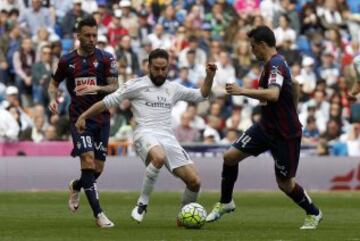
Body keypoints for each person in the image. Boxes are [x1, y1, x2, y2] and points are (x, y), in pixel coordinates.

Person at [75, 48, 217, 225]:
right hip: (145, 133)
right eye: (156, 68)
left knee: (195, 182)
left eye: (164, 68)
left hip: (168, 137)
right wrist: (83, 116)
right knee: (158, 157)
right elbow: (107, 102)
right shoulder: (136, 85)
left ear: (168, 67)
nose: (160, 72)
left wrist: (209, 76)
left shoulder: (173, 88)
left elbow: (201, 95)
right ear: (149, 67)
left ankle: (183, 218)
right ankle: (142, 204)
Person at [206, 26, 322, 230]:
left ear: (262, 45)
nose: (251, 51)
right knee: (229, 157)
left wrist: (242, 91)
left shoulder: (276, 64)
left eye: (253, 47)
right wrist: (293, 111)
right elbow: (293, 87)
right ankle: (226, 202)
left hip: (284, 134)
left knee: (285, 184)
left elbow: (274, 95)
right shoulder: (273, 63)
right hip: (265, 127)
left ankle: (314, 212)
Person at [48, 16, 119, 228]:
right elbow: (54, 83)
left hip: (102, 119)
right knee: (87, 162)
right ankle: (99, 215)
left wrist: (98, 88)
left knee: (97, 170)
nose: (91, 39)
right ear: (78, 36)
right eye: (87, 35)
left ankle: (76, 185)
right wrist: (53, 98)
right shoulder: (66, 61)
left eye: (94, 35)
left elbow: (115, 86)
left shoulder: (107, 58)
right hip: (79, 120)